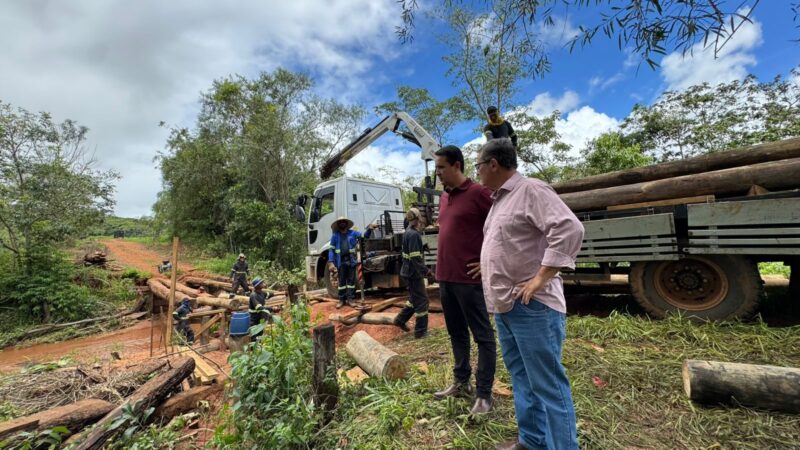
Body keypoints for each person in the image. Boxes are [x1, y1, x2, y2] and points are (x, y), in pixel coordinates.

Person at [476, 138, 584, 450]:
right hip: (506, 306)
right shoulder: (499, 200)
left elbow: (569, 230)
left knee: (547, 384)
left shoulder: (531, 190)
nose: (478, 172)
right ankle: (533, 441)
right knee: (522, 378)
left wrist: (540, 278)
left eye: (479, 166)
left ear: (493, 164)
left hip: (532, 306)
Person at [431, 145, 497, 416]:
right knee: (456, 334)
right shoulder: (444, 198)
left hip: (469, 281)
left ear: (457, 165)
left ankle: (483, 395)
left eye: (441, 168)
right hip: (445, 278)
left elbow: (501, 229)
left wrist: (487, 263)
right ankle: (461, 383)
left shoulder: (480, 193)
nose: (438, 175)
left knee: (483, 337)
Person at [393, 208, 430, 339]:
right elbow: (415, 258)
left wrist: (422, 247)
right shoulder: (414, 235)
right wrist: (426, 271)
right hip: (413, 274)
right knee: (422, 301)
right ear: (417, 219)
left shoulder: (408, 232)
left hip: (408, 272)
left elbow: (411, 252)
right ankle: (420, 332)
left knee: (414, 298)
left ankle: (400, 319)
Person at [327, 217, 377, 309]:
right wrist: (331, 262)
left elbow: (364, 237)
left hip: (351, 261)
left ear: (346, 223)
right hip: (340, 261)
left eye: (343, 221)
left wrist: (369, 229)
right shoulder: (335, 235)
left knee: (351, 282)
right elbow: (331, 250)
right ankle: (341, 300)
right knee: (341, 282)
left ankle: (350, 299)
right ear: (338, 225)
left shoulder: (353, 233)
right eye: (340, 222)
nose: (342, 223)